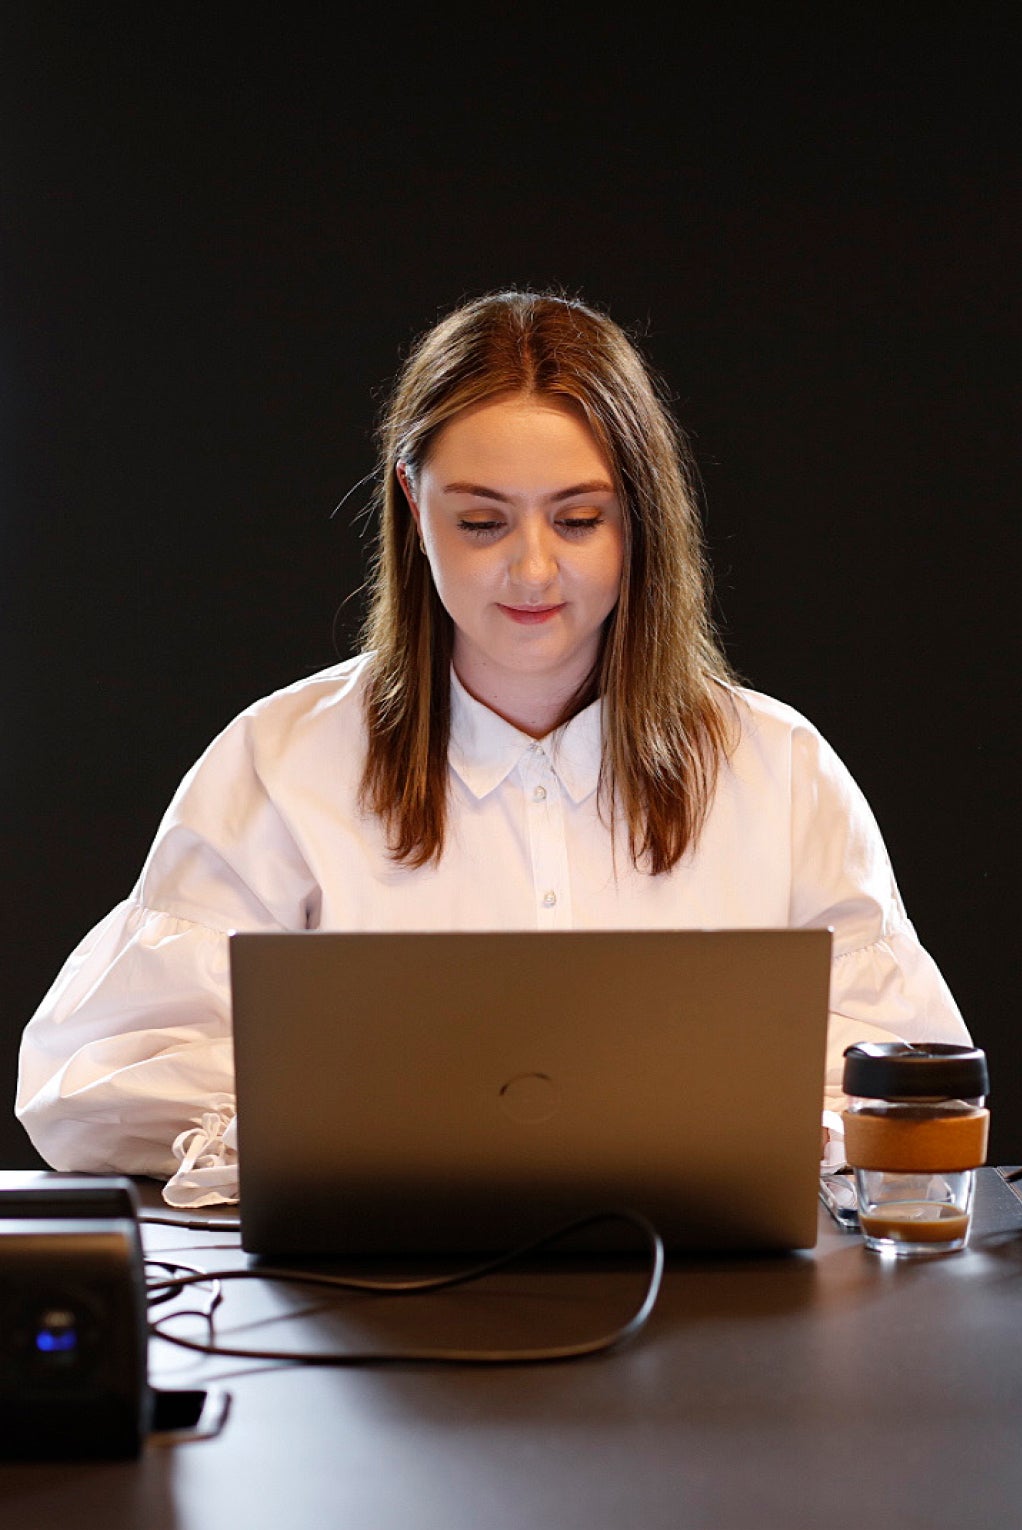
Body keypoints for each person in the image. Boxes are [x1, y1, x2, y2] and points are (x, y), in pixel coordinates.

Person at [15, 288, 969, 1206]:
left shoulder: (781, 770)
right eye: (481, 521)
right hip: (371, 1325)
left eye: (579, 518)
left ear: (640, 516)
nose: (533, 569)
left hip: (716, 1321)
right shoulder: (278, 762)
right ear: (411, 503)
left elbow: (914, 1089)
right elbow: (88, 1088)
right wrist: (378, 1132)